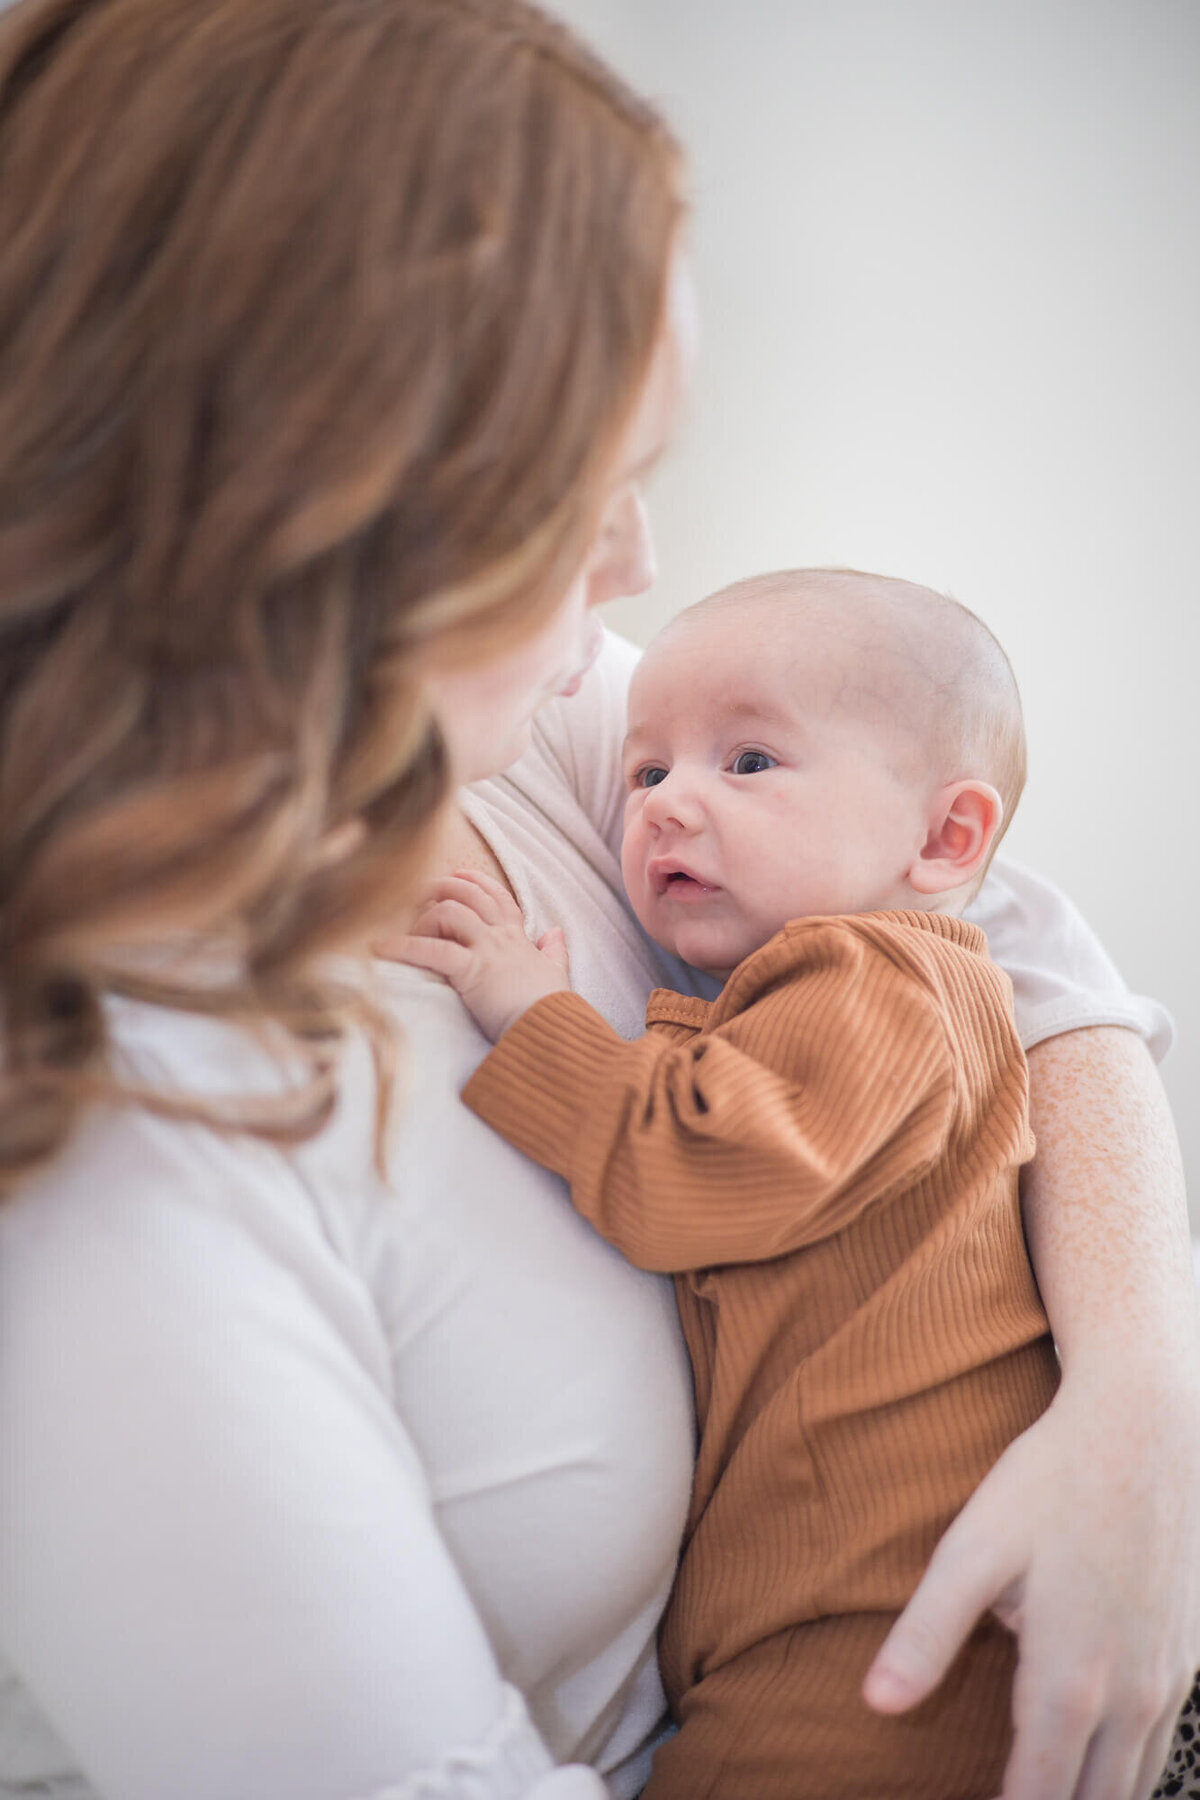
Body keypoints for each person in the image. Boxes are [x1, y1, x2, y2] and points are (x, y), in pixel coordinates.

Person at [0, 1, 1194, 1799]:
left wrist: (1141, 1415)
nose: (640, 559)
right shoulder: (102, 1167)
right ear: (329, 498)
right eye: (589, 488)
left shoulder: (531, 717)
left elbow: (1011, 942)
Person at [390, 567, 1059, 1795]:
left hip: (886, 1646)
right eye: (645, 774)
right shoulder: (817, 989)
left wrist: (530, 1015)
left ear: (946, 838)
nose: (663, 808)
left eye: (747, 764)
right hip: (806, 1630)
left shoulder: (888, 986)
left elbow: (699, 1170)